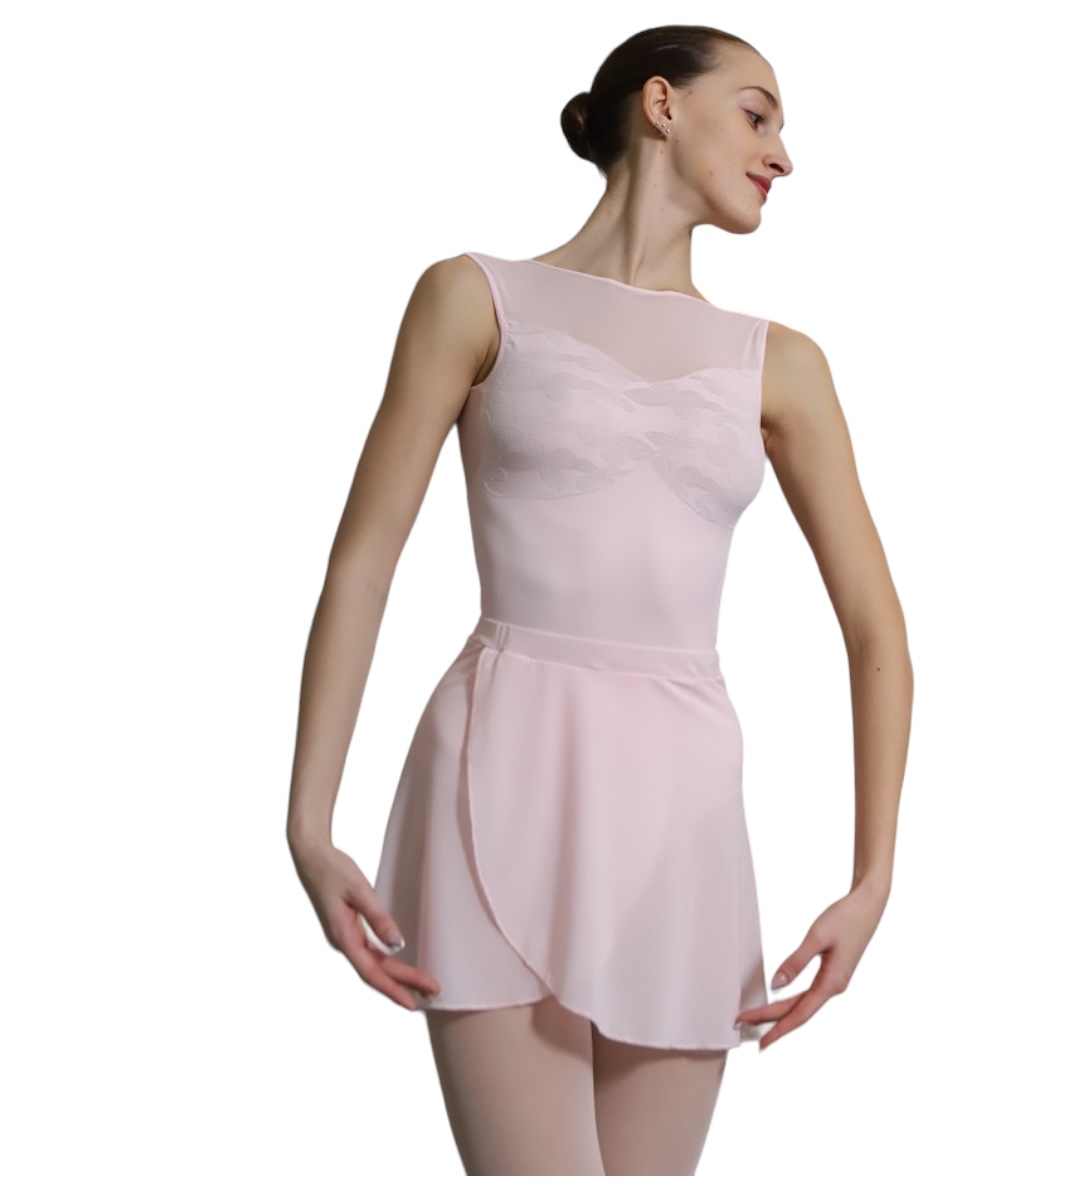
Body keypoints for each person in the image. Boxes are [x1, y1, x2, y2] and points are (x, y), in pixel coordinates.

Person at [287, 23, 913, 1176]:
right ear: (663, 105)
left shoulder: (782, 363)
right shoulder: (475, 297)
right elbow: (364, 561)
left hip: (682, 810)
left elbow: (875, 627)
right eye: (759, 115)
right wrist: (309, 825)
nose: (783, 155)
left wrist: (874, 881)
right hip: (500, 766)